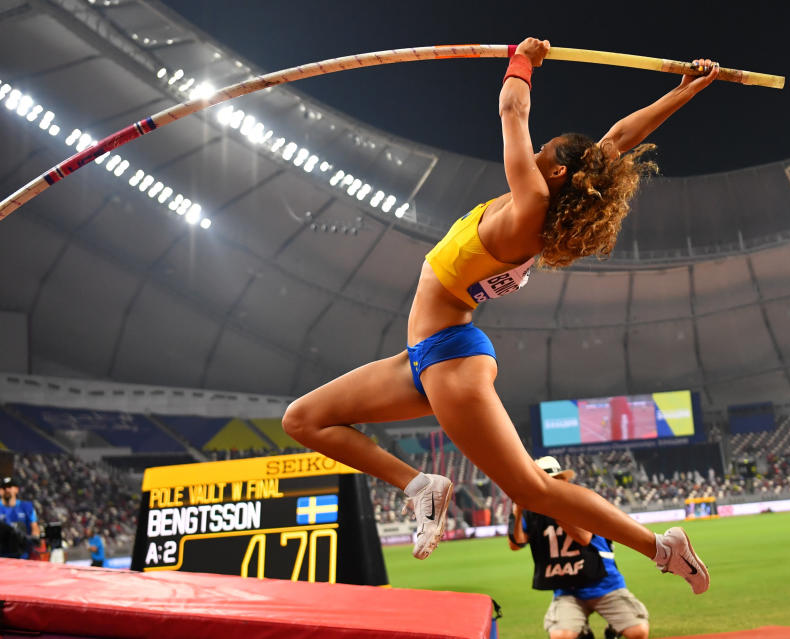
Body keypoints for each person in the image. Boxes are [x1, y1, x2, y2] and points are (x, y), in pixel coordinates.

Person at [282, 36, 715, 594]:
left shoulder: (531, 202)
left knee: (534, 490)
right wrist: (684, 91)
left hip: (452, 362)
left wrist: (523, 60)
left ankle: (661, 547)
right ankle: (420, 487)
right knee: (304, 420)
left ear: (556, 172)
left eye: (550, 148)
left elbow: (512, 108)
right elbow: (618, 140)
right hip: (428, 354)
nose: (541, 149)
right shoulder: (544, 196)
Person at [509, 457, 650, 639]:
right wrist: (518, 512)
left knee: (638, 632)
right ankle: (582, 631)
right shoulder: (531, 512)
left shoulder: (579, 501)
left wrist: (552, 507)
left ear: (563, 481)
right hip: (567, 589)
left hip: (604, 583)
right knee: (561, 637)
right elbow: (515, 543)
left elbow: (583, 537)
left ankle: (614, 627)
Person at [0, 477, 40, 558]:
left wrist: (35, 536)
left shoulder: (27, 507)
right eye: (4, 487)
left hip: (23, 556)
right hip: (0, 556)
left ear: (16, 489)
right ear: (0, 491)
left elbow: (34, 526)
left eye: (10, 487)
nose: (7, 489)